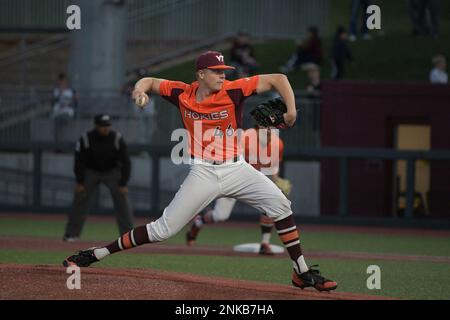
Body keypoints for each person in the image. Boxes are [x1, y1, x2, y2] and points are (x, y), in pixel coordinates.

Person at [63, 51, 337, 292]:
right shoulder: (182, 92)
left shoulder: (233, 90)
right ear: (201, 74)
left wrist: (291, 113)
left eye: (223, 71)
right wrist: (139, 90)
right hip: (203, 172)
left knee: (281, 205)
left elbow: (279, 78)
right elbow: (149, 82)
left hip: (236, 168)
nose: (222, 75)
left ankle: (301, 271)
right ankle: (98, 252)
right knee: (162, 230)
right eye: (216, 71)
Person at [186, 126, 292, 256]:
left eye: (272, 126)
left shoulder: (278, 144)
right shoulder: (246, 137)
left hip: (252, 182)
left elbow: (272, 171)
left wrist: (279, 181)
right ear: (258, 127)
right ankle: (200, 221)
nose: (269, 129)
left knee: (270, 203)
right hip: (232, 178)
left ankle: (264, 243)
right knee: (220, 216)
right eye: (266, 125)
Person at [63, 114, 134, 242]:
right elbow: (79, 161)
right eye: (102, 126)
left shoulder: (116, 138)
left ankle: (128, 236)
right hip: (91, 171)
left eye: (107, 125)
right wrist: (80, 181)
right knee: (80, 199)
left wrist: (123, 183)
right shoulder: (86, 138)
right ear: (96, 125)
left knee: (122, 199)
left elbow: (126, 161)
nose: (105, 128)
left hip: (112, 171)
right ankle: (71, 234)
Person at [51, 73, 78, 143]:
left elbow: (75, 102)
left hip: (67, 113)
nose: (63, 83)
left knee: (61, 120)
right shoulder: (56, 91)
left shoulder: (71, 91)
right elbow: (53, 102)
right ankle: (57, 143)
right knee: (57, 121)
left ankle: (60, 143)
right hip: (58, 113)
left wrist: (71, 101)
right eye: (62, 82)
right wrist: (60, 92)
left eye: (65, 81)